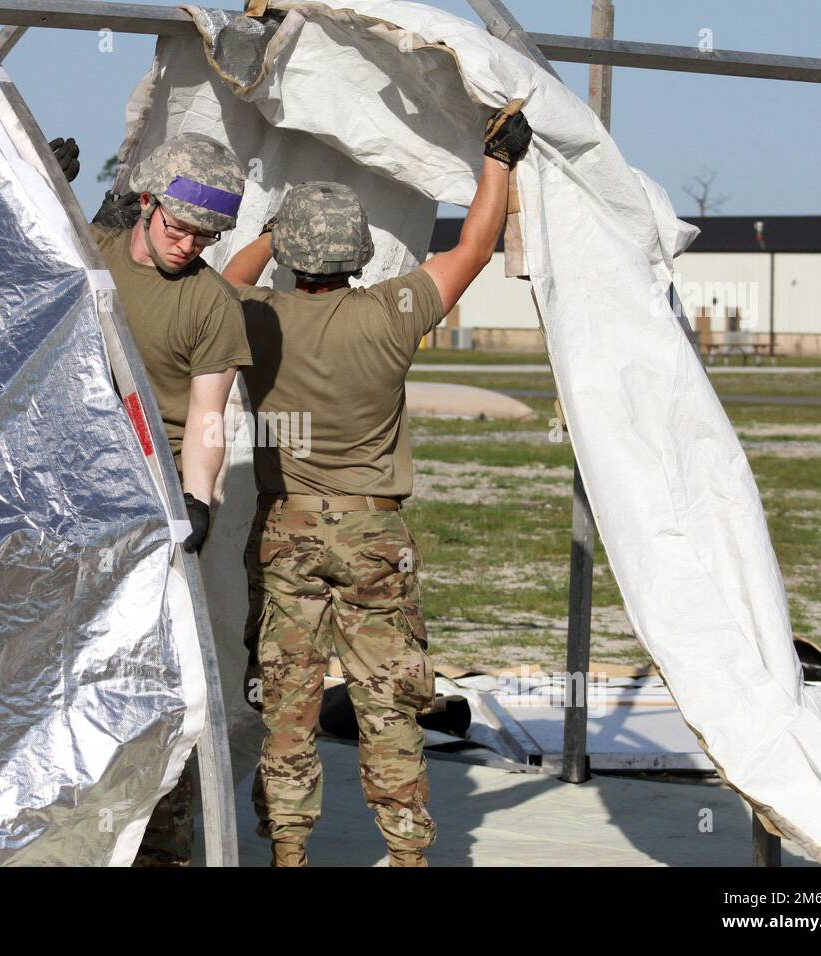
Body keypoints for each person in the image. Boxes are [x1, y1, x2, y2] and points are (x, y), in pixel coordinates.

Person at [220, 103, 533, 866]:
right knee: (388, 703)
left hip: (286, 531)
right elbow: (477, 244)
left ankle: (288, 852)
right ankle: (407, 854)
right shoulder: (395, 311)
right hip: (373, 537)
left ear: (294, 254)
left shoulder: (258, 317)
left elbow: (226, 277)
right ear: (359, 253)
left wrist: (271, 226)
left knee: (287, 704)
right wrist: (499, 159)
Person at [62, 132, 251, 865]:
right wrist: (44, 180)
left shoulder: (211, 304)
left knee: (158, 690)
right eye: (178, 227)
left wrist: (196, 502)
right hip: (72, 496)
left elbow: (208, 416)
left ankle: (158, 849)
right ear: (146, 204)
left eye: (206, 235)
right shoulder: (98, 253)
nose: (188, 245)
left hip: (153, 505)